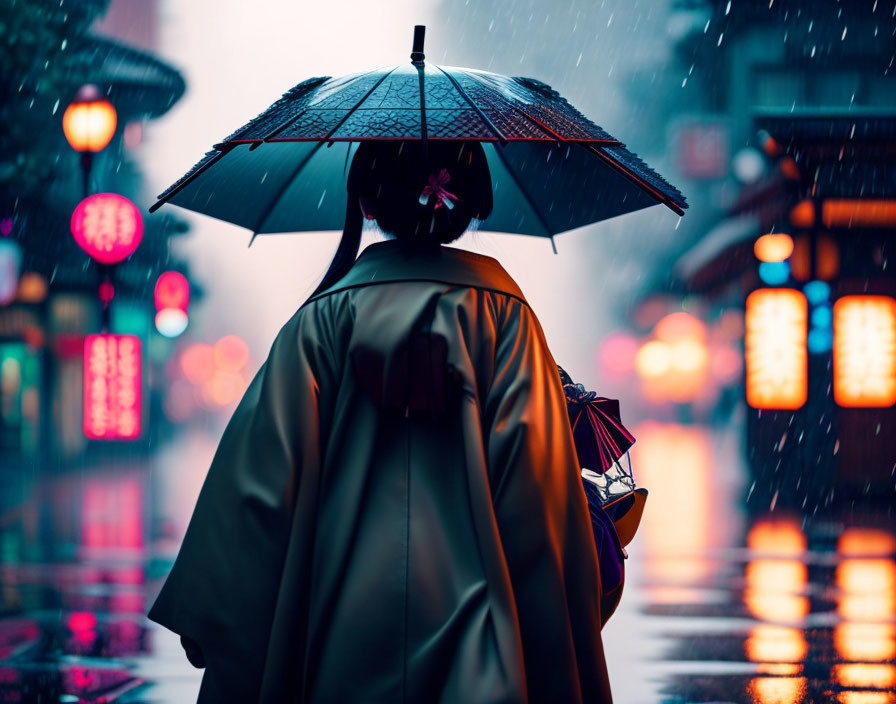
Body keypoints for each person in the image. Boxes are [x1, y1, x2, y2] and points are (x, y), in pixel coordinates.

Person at [148, 139, 614, 703]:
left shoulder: (317, 326)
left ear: (366, 202)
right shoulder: (506, 321)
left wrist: (220, 621)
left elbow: (257, 496)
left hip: (332, 638)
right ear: (468, 207)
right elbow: (536, 500)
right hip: (486, 651)